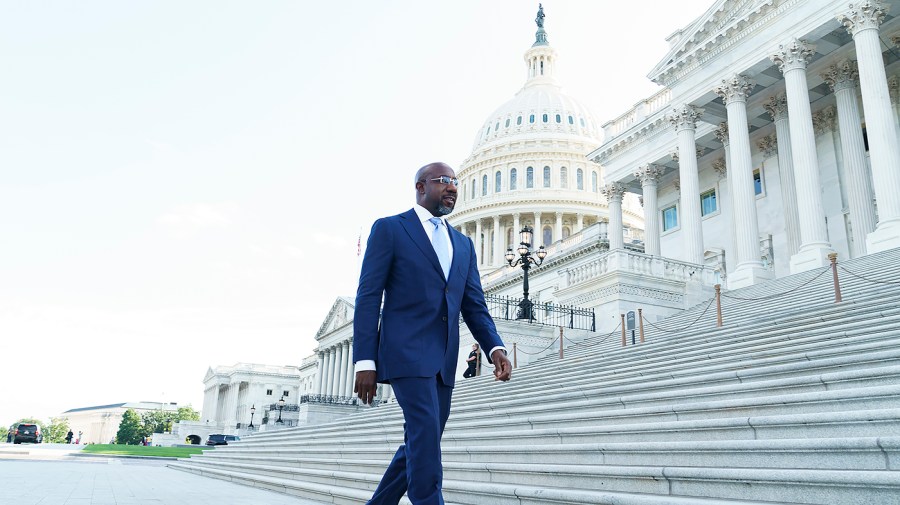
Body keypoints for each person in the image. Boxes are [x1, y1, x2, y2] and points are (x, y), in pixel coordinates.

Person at [354, 161, 513, 505]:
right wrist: (364, 361)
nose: (453, 187)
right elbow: (368, 296)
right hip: (405, 353)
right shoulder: (391, 229)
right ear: (421, 187)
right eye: (444, 181)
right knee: (425, 436)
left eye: (455, 182)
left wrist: (494, 347)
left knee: (422, 439)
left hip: (443, 360)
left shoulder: (463, 244)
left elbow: (473, 305)